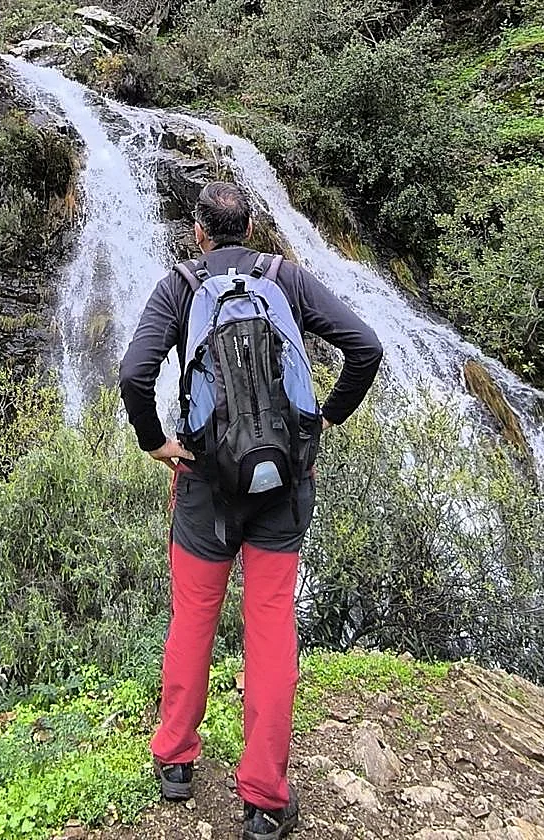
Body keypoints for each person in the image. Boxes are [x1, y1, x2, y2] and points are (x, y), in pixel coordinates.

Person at [118, 181, 383, 840]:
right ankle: (265, 800)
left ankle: (176, 762)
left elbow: (134, 372)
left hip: (206, 482)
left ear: (200, 231)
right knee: (270, 631)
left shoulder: (178, 285)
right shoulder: (285, 277)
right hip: (284, 486)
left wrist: (156, 443)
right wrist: (322, 421)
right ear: (252, 229)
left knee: (193, 620)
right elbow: (367, 347)